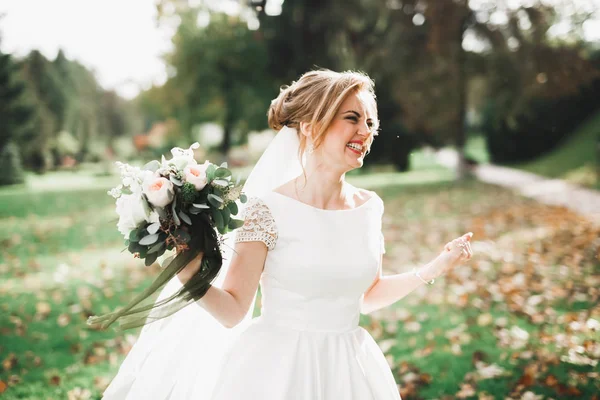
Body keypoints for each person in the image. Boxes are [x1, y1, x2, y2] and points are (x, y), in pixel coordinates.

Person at [101, 69, 473, 399]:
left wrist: (433, 268)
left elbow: (367, 296)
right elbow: (232, 311)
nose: (366, 131)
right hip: (277, 372)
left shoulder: (369, 207)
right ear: (311, 126)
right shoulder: (267, 210)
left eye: (371, 123)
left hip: (351, 369)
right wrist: (186, 272)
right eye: (352, 118)